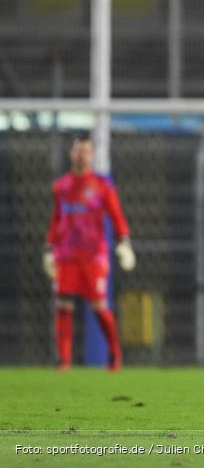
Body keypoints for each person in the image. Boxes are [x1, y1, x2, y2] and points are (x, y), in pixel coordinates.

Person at [44, 133, 136, 371]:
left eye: (86, 151)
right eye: (78, 150)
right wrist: (49, 248)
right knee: (63, 304)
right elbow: (57, 218)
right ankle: (64, 361)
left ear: (92, 155)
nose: (82, 155)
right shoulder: (61, 186)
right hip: (66, 255)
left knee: (98, 306)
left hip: (93, 255)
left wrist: (124, 241)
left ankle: (114, 352)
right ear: (71, 153)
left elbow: (116, 215)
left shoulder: (101, 186)